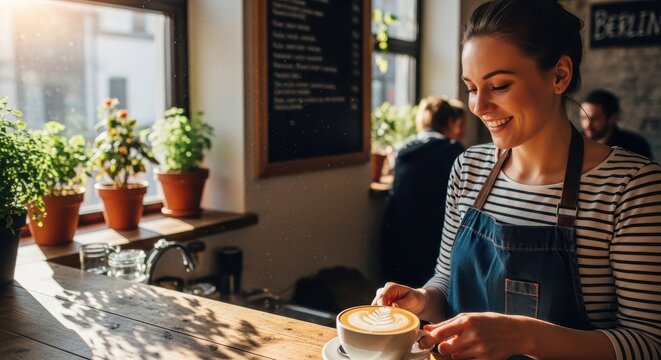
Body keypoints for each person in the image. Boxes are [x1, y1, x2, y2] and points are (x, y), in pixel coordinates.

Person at [373, 1, 661, 359]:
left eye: (499, 85)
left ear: (559, 75)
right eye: (471, 86)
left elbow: (649, 343)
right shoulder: (469, 169)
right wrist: (422, 299)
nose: (478, 106)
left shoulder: (631, 188)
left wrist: (527, 338)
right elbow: (446, 281)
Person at [380, 96, 465, 288]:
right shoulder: (453, 151)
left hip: (395, 239)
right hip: (432, 244)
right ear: (451, 122)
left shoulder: (402, 150)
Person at [580, 89, 653, 158]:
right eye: (584, 118)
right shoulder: (575, 143)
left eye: (595, 118)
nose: (587, 125)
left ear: (612, 118)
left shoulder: (636, 146)